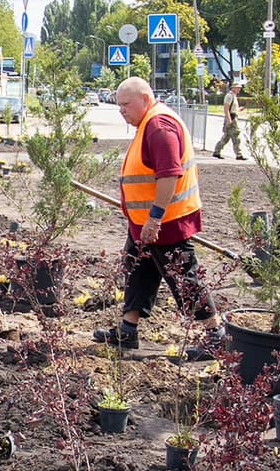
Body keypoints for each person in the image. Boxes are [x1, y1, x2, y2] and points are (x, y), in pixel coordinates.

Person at [95, 77, 227, 359]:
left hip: (165, 223)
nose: (121, 111)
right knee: (138, 271)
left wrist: (155, 218)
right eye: (118, 105)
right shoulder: (149, 123)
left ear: (144, 99)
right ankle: (128, 331)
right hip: (145, 223)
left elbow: (169, 174)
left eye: (126, 104)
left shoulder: (158, 127)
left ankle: (215, 336)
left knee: (183, 277)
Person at [211, 79, 245, 160]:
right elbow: (226, 109)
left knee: (226, 137)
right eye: (237, 88)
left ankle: (217, 151)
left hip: (233, 117)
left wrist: (239, 109)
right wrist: (229, 120)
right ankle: (239, 154)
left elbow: (232, 109)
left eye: (239, 88)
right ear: (233, 88)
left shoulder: (233, 96)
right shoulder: (229, 96)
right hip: (231, 118)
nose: (239, 89)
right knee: (236, 137)